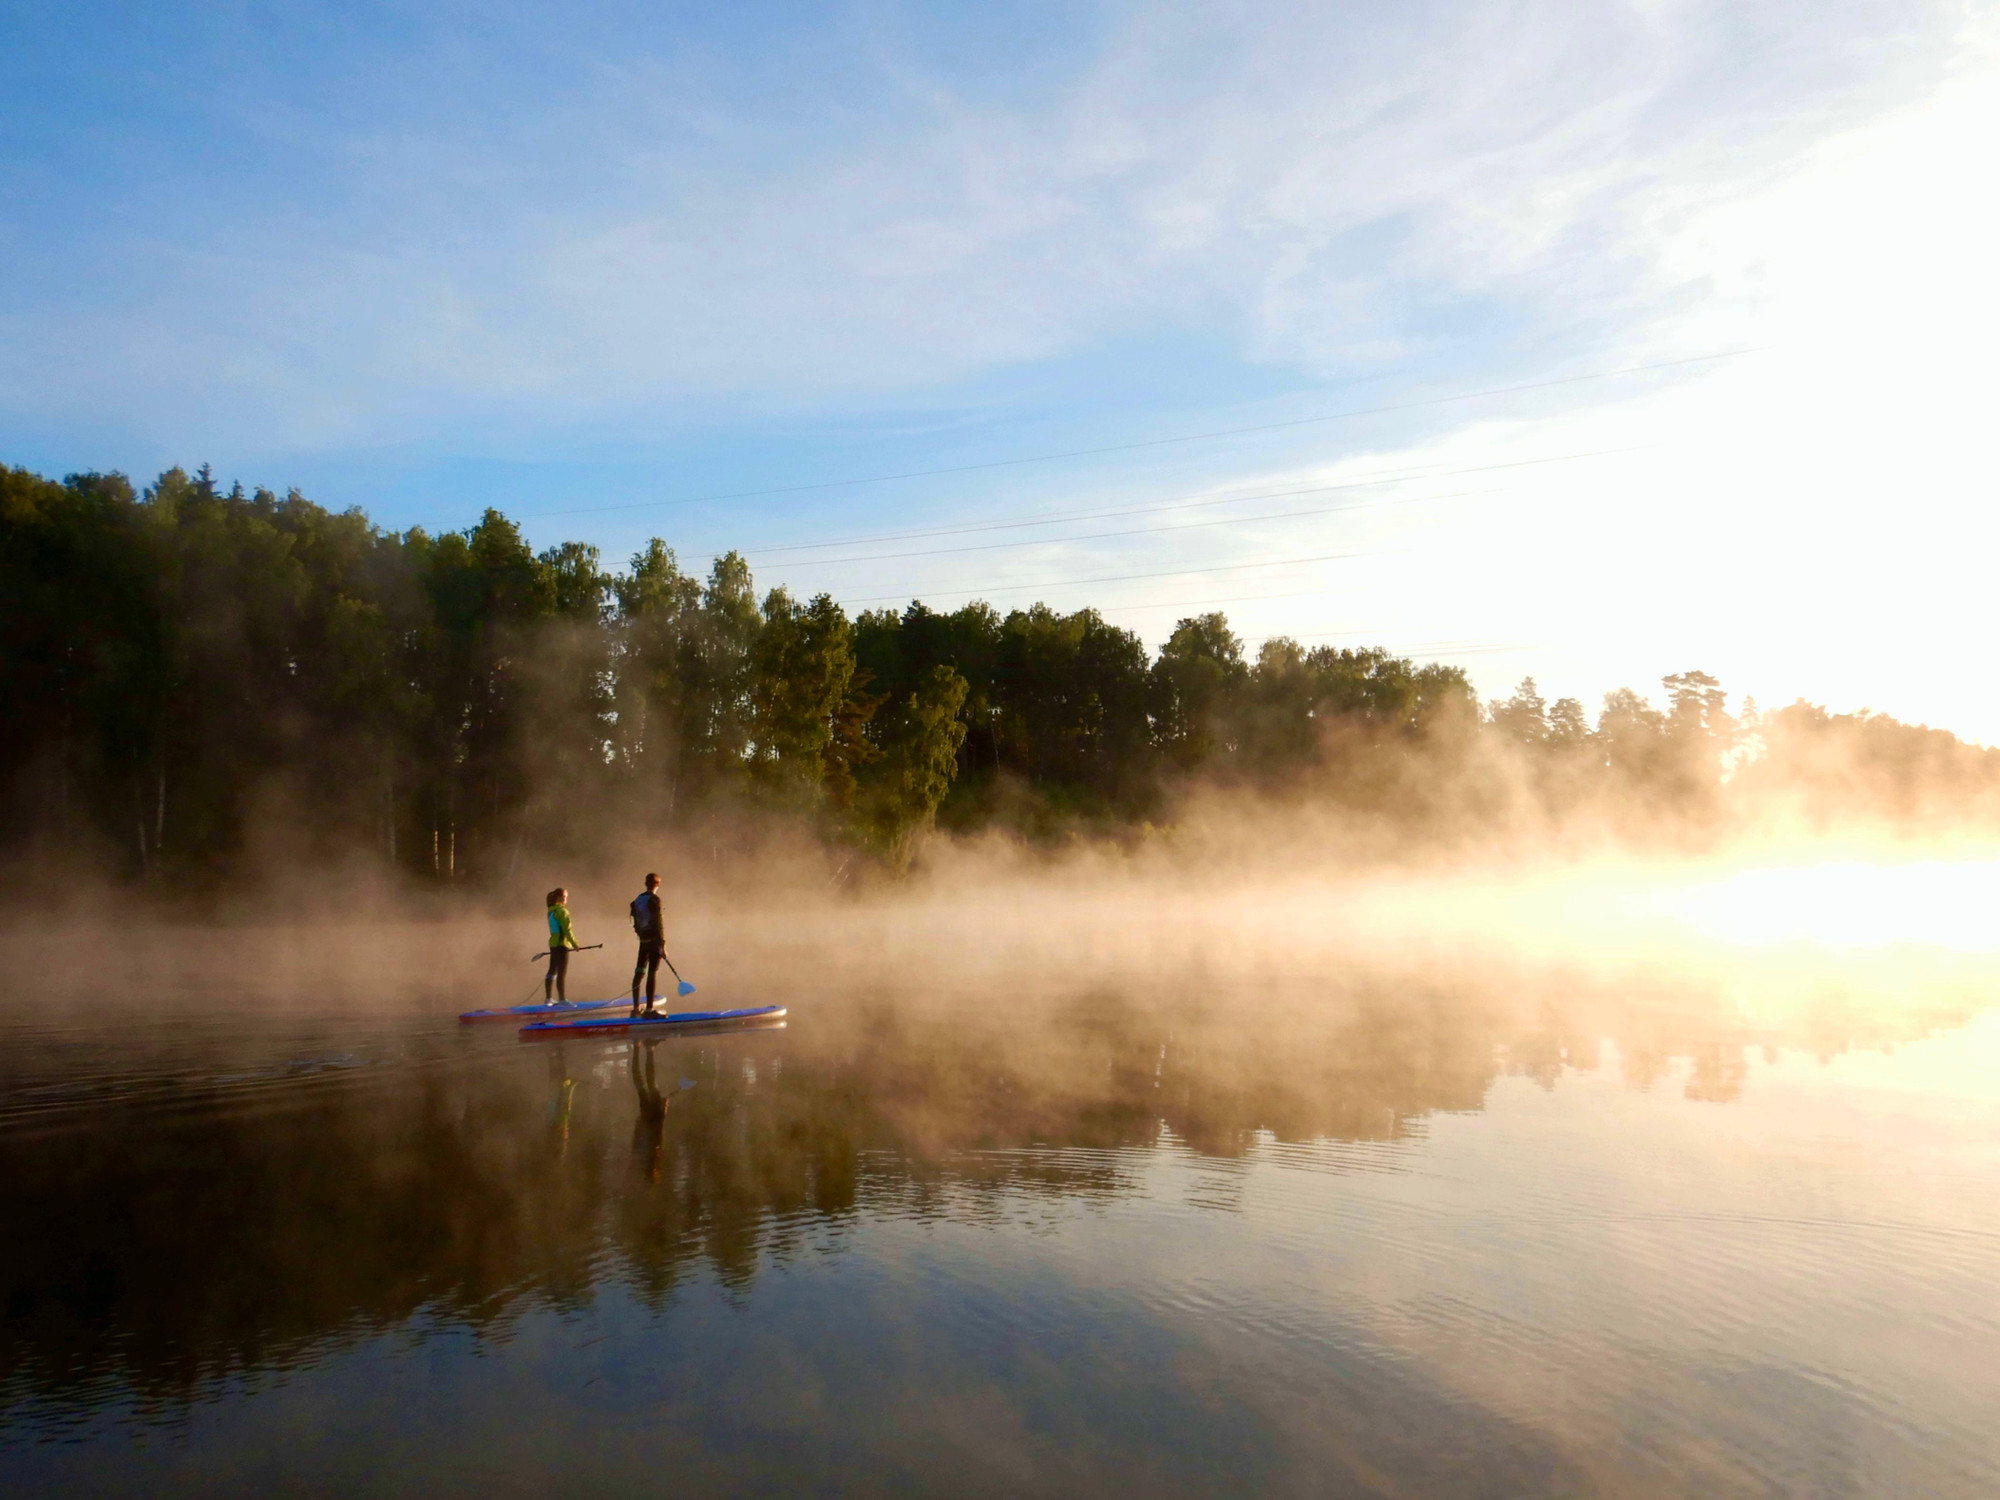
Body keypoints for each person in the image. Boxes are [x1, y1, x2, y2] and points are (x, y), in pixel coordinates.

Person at [630, 872, 667, 1017]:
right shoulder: (655, 900)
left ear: (646, 884)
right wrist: (662, 945)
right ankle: (649, 1010)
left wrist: (640, 934)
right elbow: (658, 924)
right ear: (657, 885)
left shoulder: (638, 900)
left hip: (643, 942)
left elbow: (634, 922)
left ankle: (635, 1008)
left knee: (639, 972)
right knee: (652, 973)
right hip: (653, 942)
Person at [544, 886, 580, 1003]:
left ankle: (548, 998)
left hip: (553, 944)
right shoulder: (562, 912)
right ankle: (562, 1000)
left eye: (566, 897)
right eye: (564, 897)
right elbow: (567, 930)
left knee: (552, 971)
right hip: (562, 945)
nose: (566, 899)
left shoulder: (550, 911)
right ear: (559, 898)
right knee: (561, 972)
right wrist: (575, 944)